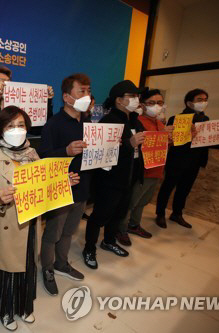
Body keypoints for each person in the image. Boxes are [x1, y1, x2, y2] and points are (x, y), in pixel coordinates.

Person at [0, 106, 81, 331]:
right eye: (10, 126)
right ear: (0, 131)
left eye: (21, 125)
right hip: (4, 226)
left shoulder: (33, 155)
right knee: (6, 271)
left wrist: (63, 183)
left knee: (26, 267)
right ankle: (5, 309)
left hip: (30, 225)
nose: (17, 130)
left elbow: (43, 187)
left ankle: (24, 306)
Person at [38, 73, 92, 296]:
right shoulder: (53, 124)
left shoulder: (88, 123)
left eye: (89, 91)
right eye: (82, 91)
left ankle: (62, 263)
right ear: (67, 97)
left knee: (70, 231)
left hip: (83, 186)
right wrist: (66, 152)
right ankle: (47, 268)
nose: (87, 96)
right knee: (53, 233)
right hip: (60, 188)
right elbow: (43, 157)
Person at [82, 80, 146, 270]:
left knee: (118, 214)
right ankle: (89, 248)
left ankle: (109, 241)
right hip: (110, 180)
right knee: (100, 215)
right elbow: (102, 153)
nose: (137, 100)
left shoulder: (135, 120)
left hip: (129, 176)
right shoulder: (109, 121)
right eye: (132, 96)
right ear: (119, 100)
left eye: (137, 96)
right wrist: (129, 144)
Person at [155, 88, 219, 228]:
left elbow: (206, 139)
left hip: (195, 160)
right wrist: (188, 135)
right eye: (199, 100)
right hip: (177, 160)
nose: (203, 102)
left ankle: (177, 213)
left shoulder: (205, 119)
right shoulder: (176, 119)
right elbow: (173, 141)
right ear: (189, 103)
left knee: (185, 189)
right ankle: (160, 214)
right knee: (168, 187)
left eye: (205, 100)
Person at [116, 89, 173, 245]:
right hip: (143, 170)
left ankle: (134, 225)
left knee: (143, 201)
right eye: (152, 103)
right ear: (143, 105)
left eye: (160, 103)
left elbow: (163, 146)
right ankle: (120, 229)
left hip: (157, 169)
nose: (156, 106)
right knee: (132, 202)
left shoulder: (161, 123)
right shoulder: (138, 121)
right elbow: (137, 146)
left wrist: (169, 139)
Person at [0, 65, 54, 135]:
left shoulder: (21, 106)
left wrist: (47, 101)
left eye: (8, 81)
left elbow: (41, 129)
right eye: (2, 82)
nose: (6, 84)